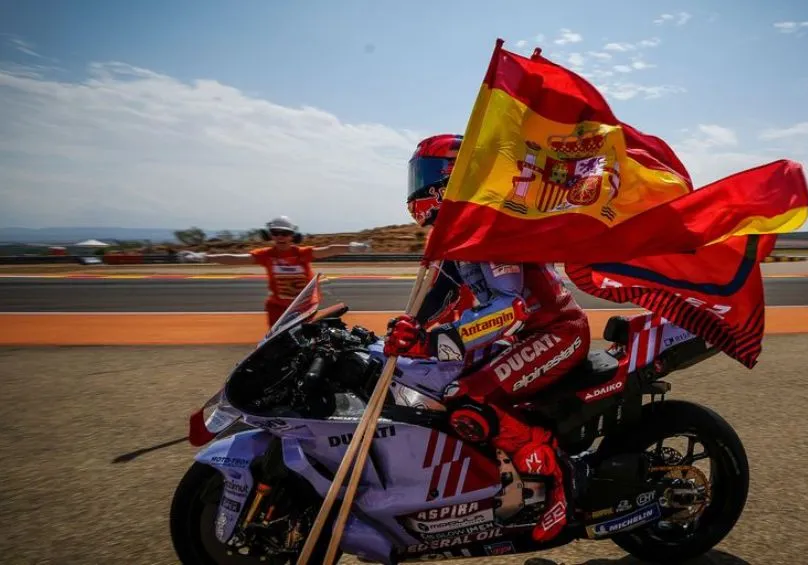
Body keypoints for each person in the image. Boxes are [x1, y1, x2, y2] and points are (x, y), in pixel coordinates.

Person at [384, 134, 592, 543]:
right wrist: (408, 329)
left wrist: (442, 340)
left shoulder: (488, 227)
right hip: (528, 335)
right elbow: (440, 295)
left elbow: (507, 304)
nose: (416, 188)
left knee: (466, 397)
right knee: (435, 382)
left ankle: (561, 476)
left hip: (556, 332)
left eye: (423, 175)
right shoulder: (461, 232)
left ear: (449, 178)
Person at [182, 216, 370, 326]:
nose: (280, 237)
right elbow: (234, 259)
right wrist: (203, 257)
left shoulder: (301, 253)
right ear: (270, 235)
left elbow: (328, 250)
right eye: (276, 233)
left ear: (292, 236)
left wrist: (352, 247)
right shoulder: (267, 255)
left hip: (304, 306)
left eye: (285, 233)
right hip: (278, 308)